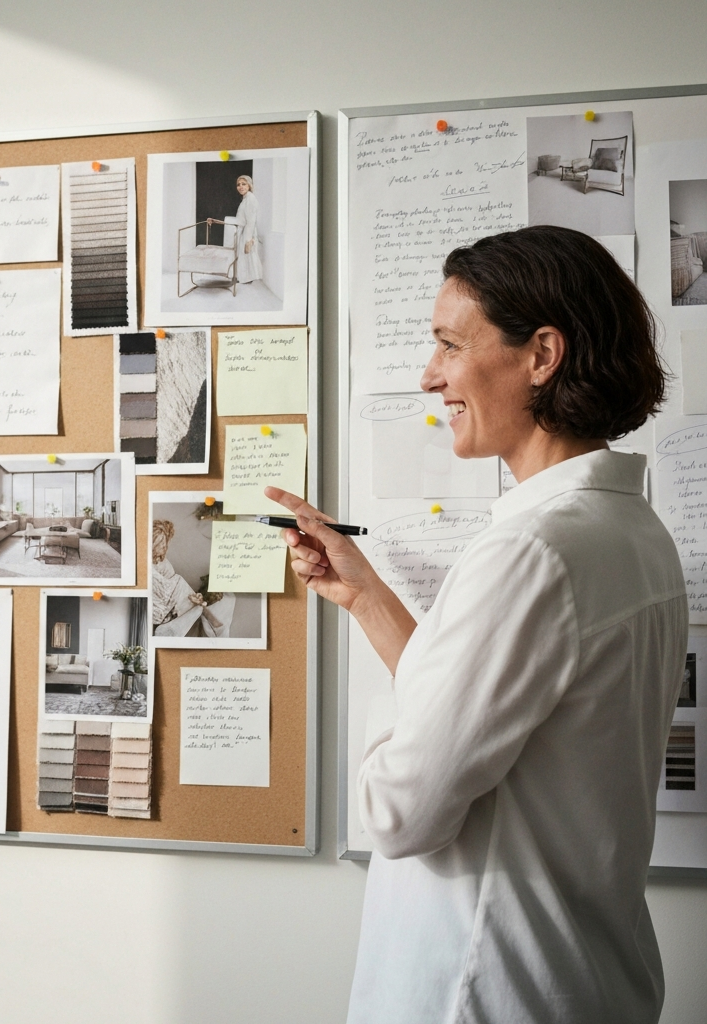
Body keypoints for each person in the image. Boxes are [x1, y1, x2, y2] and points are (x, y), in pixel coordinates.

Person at [268, 225, 686, 1024]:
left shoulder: (533, 551)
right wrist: (368, 598)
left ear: (542, 355)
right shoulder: (632, 533)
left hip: (485, 991)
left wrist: (388, 721)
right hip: (579, 978)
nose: (430, 376)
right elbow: (489, 707)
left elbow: (400, 812)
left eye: (450, 345)